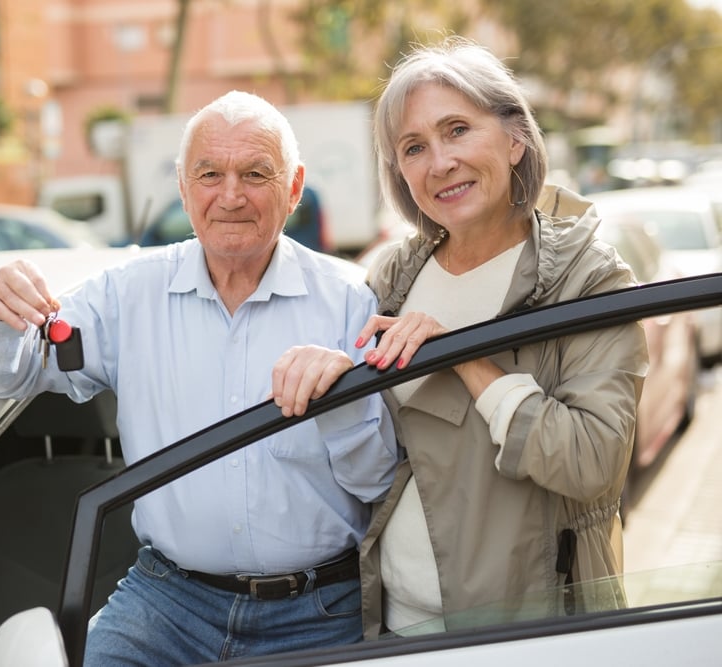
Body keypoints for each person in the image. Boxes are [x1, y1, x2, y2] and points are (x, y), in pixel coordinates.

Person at [0, 90, 397, 665]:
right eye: (209, 173)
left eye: (256, 173)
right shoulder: (127, 295)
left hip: (316, 610)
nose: (231, 194)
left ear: (293, 188)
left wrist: (340, 398)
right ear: (184, 188)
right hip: (166, 603)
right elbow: (9, 375)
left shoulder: (348, 302)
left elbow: (377, 482)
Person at [271, 36, 648, 639]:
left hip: (527, 633)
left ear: (515, 137)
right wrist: (333, 371)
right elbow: (376, 454)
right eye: (413, 147)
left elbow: (592, 462)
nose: (439, 162)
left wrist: (462, 355)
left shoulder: (588, 278)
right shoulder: (394, 276)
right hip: (395, 623)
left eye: (457, 130)